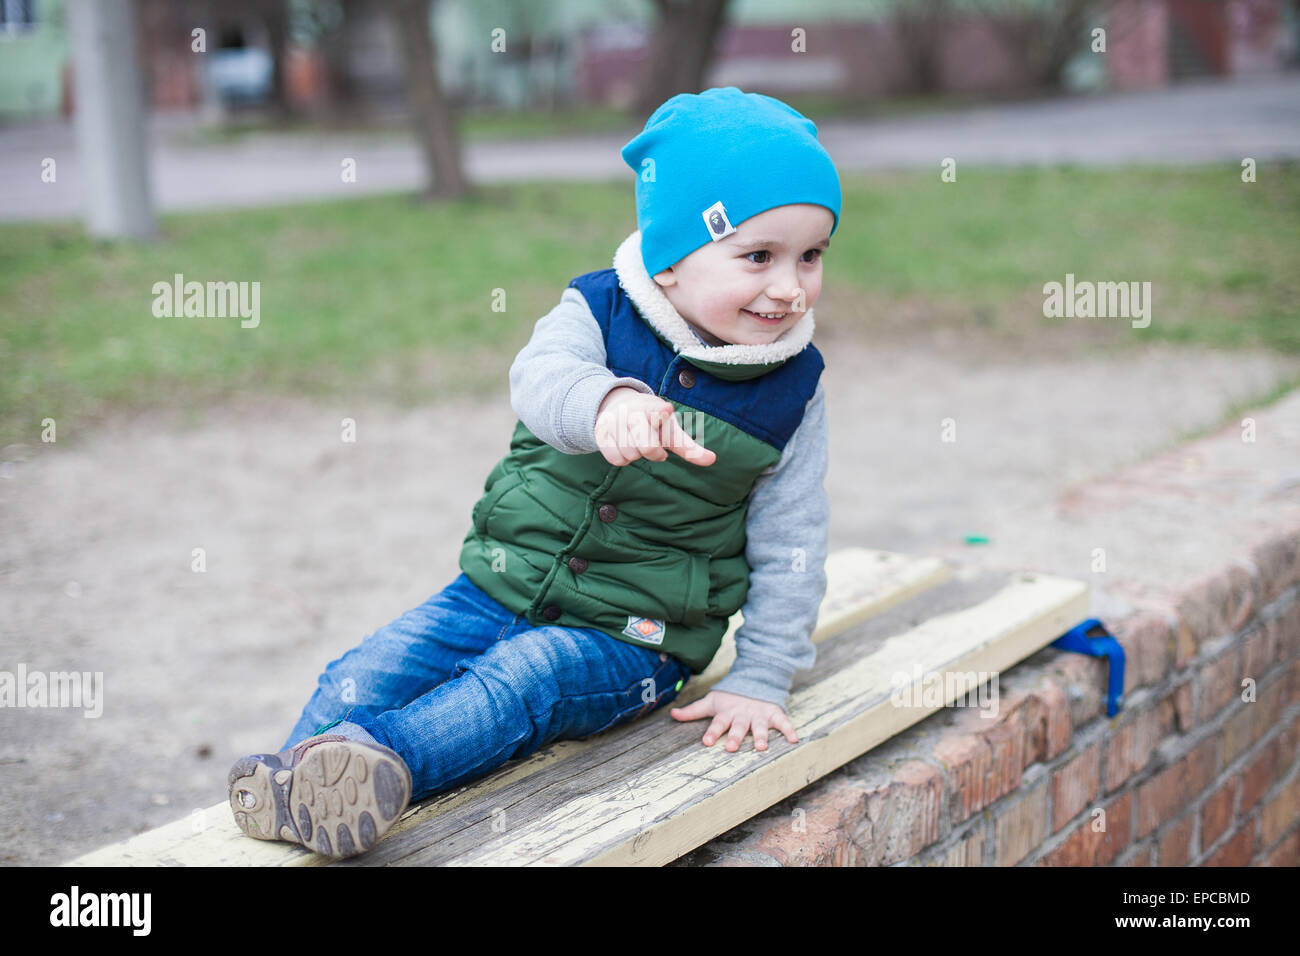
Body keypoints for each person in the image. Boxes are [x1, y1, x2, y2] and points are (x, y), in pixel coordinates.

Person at [227, 86, 841, 859]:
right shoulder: (598, 311)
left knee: (528, 679)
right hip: (498, 583)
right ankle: (293, 785)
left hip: (634, 636)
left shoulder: (791, 389)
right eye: (760, 256)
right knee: (372, 666)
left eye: (811, 256)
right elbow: (541, 378)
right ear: (671, 258)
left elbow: (793, 541)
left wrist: (763, 674)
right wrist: (605, 401)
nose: (790, 286)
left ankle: (370, 775)